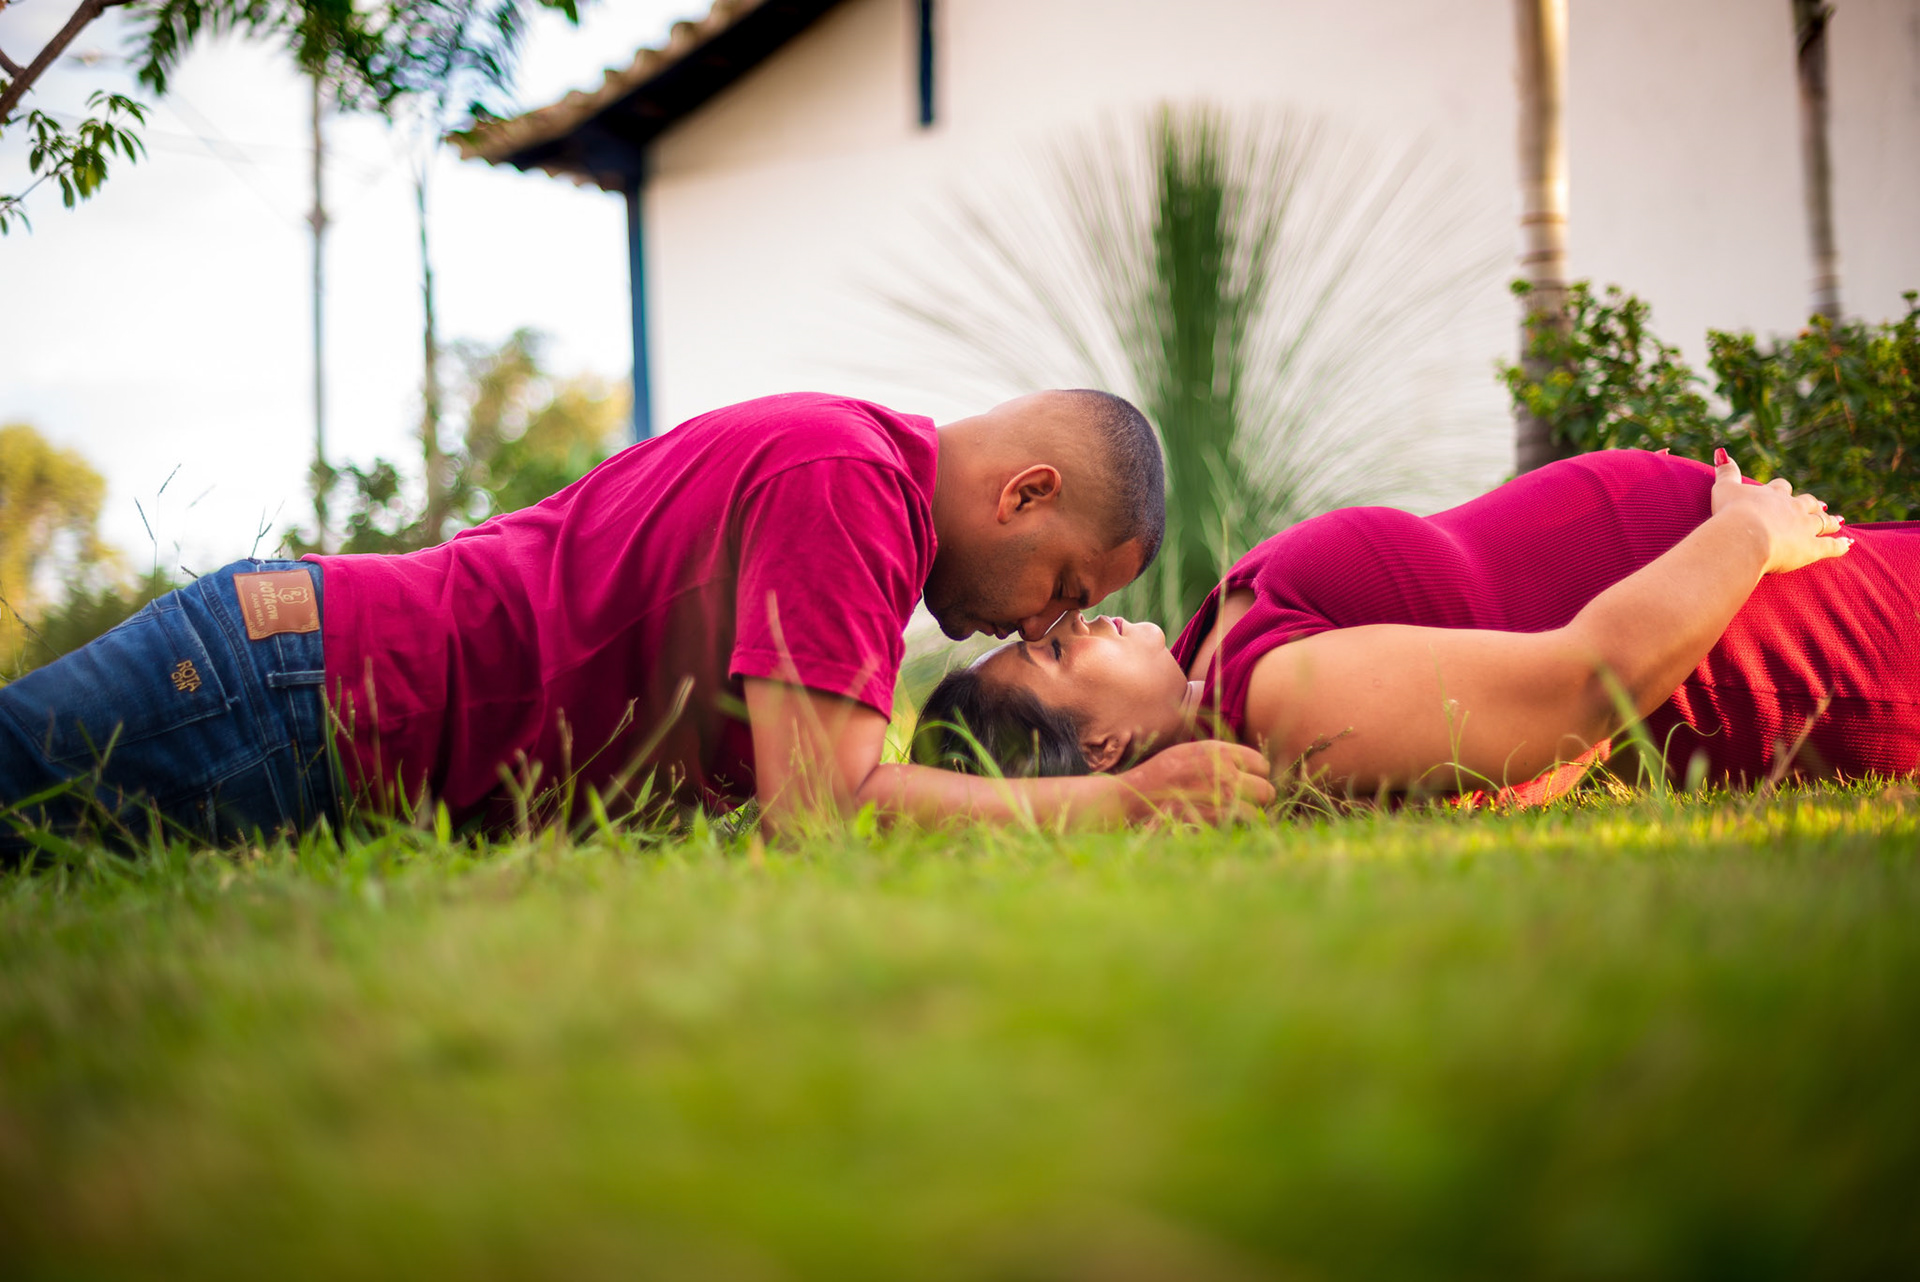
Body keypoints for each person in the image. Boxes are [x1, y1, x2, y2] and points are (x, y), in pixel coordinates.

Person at [0, 391, 1274, 854]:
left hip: (294, 707)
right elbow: (820, 810)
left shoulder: (853, 484)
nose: (1042, 621)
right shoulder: (851, 487)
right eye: (1066, 589)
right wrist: (1123, 803)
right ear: (1026, 494)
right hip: (290, 694)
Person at [918, 448, 1920, 799]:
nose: (1081, 620)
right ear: (1102, 743)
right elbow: (1585, 682)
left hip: (1748, 563)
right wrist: (1743, 533)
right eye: (1055, 652)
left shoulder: (1201, 654)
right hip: (1771, 629)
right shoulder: (1274, 708)